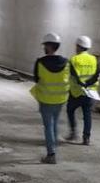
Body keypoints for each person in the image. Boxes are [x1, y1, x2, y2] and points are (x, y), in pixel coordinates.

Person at [30, 33, 70, 164]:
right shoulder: (66, 62)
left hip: (46, 99)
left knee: (48, 126)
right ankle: (53, 149)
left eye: (44, 46)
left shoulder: (40, 62)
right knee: (54, 124)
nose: (43, 48)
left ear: (48, 46)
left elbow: (36, 79)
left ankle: (51, 154)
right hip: (60, 99)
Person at [66, 35, 100, 145]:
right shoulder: (94, 59)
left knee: (70, 110)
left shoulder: (74, 59)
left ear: (79, 47)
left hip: (76, 92)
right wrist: (88, 84)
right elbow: (97, 75)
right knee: (87, 114)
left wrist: (81, 83)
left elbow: (73, 75)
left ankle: (73, 132)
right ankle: (86, 138)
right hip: (90, 92)